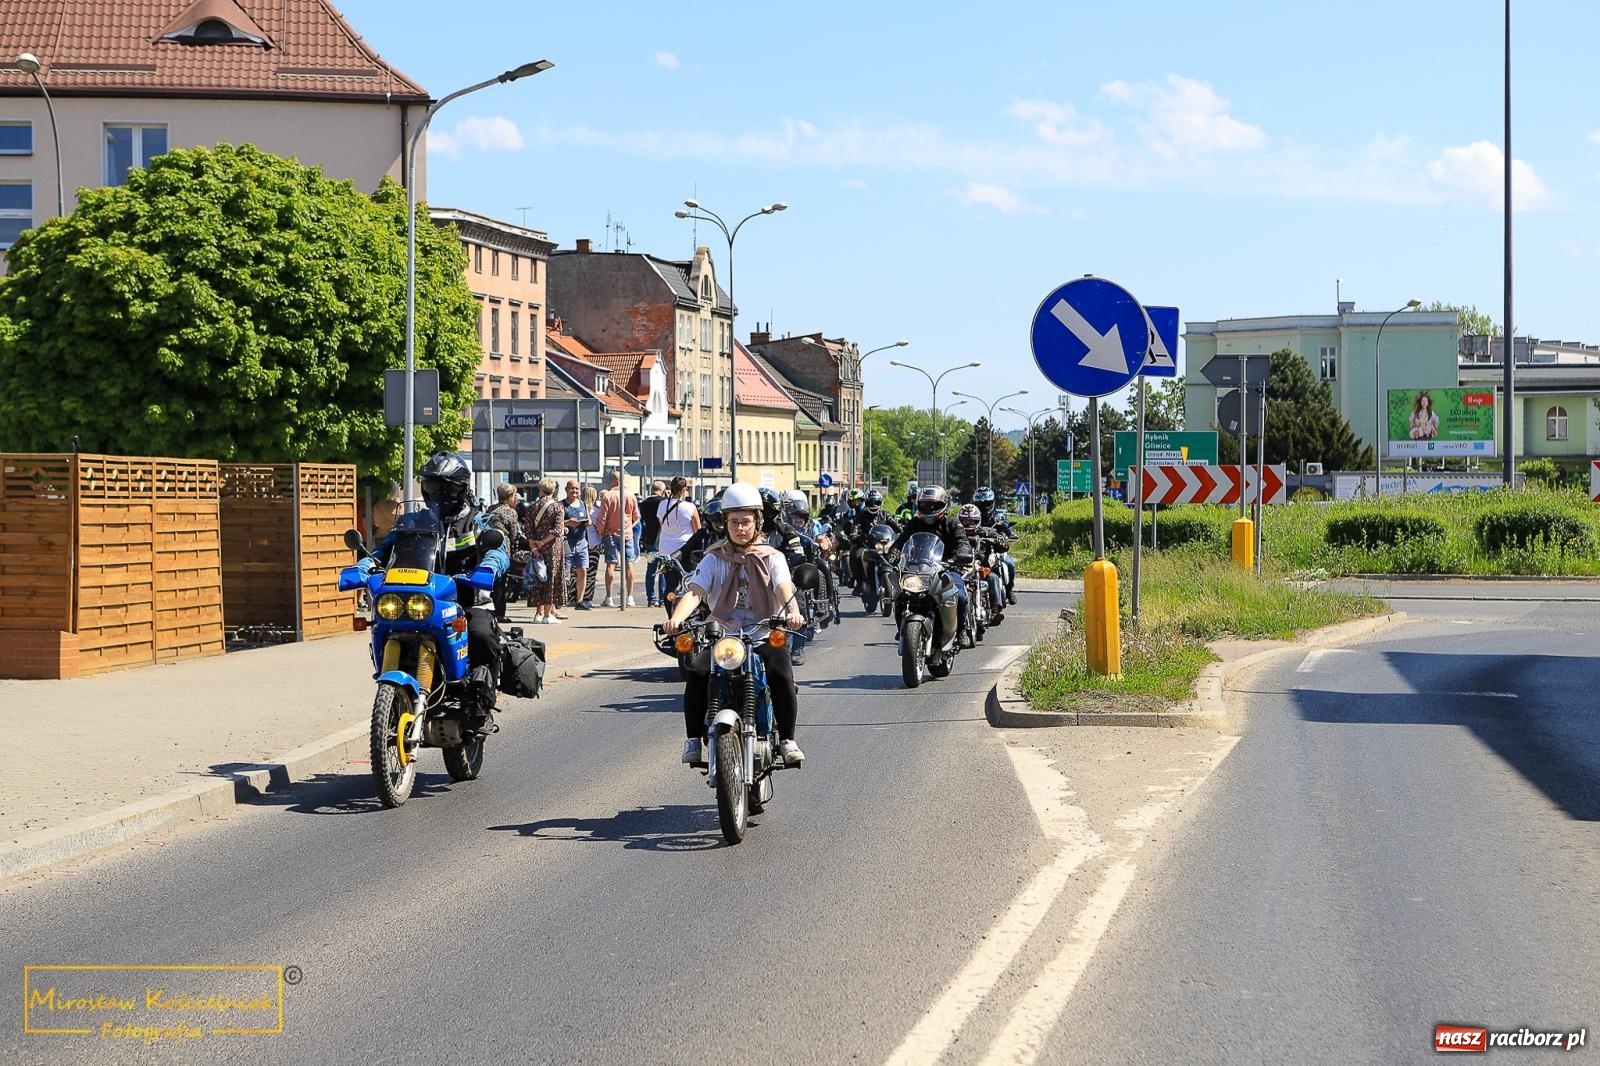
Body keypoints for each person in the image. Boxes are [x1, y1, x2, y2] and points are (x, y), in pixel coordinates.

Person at [663, 482, 807, 768]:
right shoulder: (714, 559)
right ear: (725, 524)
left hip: (763, 633)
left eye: (746, 522)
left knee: (781, 671)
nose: (740, 528)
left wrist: (793, 610)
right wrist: (676, 618)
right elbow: (695, 592)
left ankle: (788, 739)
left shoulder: (773, 558)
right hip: (724, 637)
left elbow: (782, 585)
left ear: (757, 523)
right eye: (734, 522)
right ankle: (693, 740)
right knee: (697, 670)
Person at [361, 454, 508, 735]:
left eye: (447, 487)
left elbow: (499, 549)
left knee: (481, 633)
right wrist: (364, 565)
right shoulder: (411, 522)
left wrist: (489, 566)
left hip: (466, 598)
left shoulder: (478, 521)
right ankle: (393, 700)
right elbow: (385, 551)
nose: (439, 493)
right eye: (431, 486)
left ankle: (481, 702)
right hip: (420, 599)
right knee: (384, 624)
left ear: (462, 488)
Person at [889, 485, 973, 647]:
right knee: (899, 595)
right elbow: (901, 541)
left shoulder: (953, 524)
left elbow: (962, 542)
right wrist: (894, 553)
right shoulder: (915, 523)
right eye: (925, 505)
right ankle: (903, 629)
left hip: (947, 568)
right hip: (917, 569)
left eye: (933, 505)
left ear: (944, 505)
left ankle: (963, 629)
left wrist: (961, 554)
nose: (929, 509)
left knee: (961, 596)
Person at [522, 478, 567, 625]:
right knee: (550, 579)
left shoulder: (532, 507)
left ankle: (538, 613)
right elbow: (557, 530)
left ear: (540, 490)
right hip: (553, 548)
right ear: (553, 490)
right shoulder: (557, 507)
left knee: (538, 577)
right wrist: (543, 542)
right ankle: (548, 614)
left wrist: (534, 546)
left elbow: (528, 530)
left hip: (537, 549)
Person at [596, 469, 640, 607]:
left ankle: (609, 597)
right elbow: (636, 517)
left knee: (610, 564)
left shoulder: (608, 496)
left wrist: (600, 532)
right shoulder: (630, 495)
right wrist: (629, 526)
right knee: (629, 564)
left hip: (610, 533)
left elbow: (603, 518)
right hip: (627, 534)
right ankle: (630, 597)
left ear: (613, 480)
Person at [958, 503, 1008, 622]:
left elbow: (1003, 545)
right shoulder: (956, 532)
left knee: (993, 578)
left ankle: (995, 609)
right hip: (960, 568)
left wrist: (999, 540)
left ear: (978, 521)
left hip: (980, 567)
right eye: (965, 521)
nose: (969, 524)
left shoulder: (985, 532)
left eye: (972, 521)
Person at [485, 483, 527, 622]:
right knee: (501, 583)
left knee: (489, 581)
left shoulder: (490, 509)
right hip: (503, 549)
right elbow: (514, 534)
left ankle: (488, 611)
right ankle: (500, 614)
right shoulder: (511, 512)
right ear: (510, 496)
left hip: (487, 548)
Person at [655, 476, 701, 600]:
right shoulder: (690, 507)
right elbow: (698, 531)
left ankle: (671, 614)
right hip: (686, 550)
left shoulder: (662, 505)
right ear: (683, 490)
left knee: (670, 585)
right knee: (689, 583)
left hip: (667, 550)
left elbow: (662, 525)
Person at [973, 488, 1017, 605]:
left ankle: (1009, 591)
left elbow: (1006, 526)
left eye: (986, 503)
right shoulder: (974, 516)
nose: (983, 506)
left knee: (1009, 563)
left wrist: (1010, 533)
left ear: (992, 503)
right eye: (980, 503)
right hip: (980, 547)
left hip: (997, 547)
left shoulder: (998, 516)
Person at [560, 480, 592, 610]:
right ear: (566, 489)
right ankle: (561, 599)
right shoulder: (561, 505)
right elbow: (556, 522)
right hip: (567, 542)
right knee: (565, 572)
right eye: (572, 488)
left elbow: (588, 519)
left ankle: (580, 600)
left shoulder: (583, 504)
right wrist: (568, 522)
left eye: (577, 489)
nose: (575, 491)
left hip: (581, 542)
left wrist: (587, 521)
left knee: (583, 570)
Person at [639, 479, 668, 606]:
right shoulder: (664, 502)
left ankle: (651, 599)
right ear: (662, 491)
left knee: (650, 570)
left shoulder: (644, 503)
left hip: (649, 540)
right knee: (663, 569)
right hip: (663, 539)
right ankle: (662, 599)